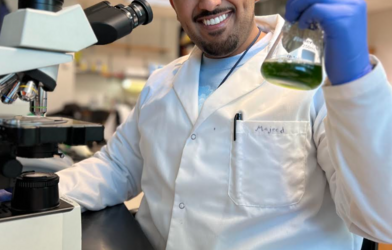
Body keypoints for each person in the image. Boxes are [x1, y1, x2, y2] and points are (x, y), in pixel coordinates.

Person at [58, 0, 392, 249]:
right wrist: (31, 194)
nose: (209, 4)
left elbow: (381, 218)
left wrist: (356, 80)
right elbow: (118, 168)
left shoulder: (317, 77)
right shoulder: (161, 82)